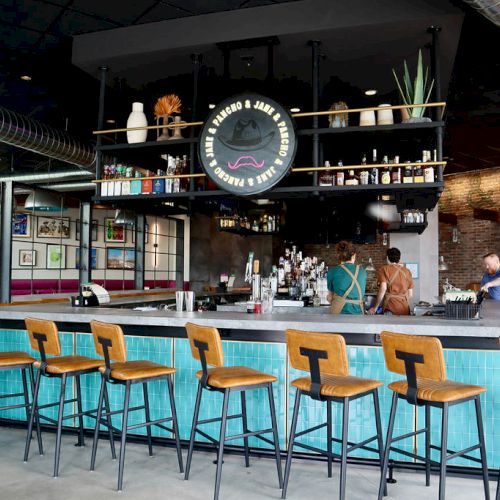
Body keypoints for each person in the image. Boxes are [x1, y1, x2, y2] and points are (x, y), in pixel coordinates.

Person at [368, 247, 414, 315]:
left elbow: (383, 289)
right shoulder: (407, 271)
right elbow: (410, 295)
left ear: (387, 258)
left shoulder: (384, 269)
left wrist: (375, 307)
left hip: (390, 307)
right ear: (399, 258)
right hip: (404, 308)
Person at [327, 240, 366, 314]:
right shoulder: (362, 271)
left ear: (339, 256)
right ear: (354, 255)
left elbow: (330, 298)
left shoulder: (332, 271)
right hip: (358, 313)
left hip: (339, 313)